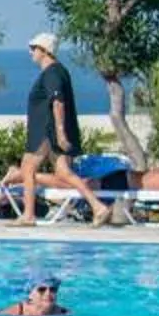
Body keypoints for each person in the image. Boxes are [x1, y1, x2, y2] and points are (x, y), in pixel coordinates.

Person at [19, 33, 110, 226]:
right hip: (49, 130)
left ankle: (28, 215)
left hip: (46, 130)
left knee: (27, 168)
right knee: (63, 172)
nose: (31, 52)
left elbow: (58, 102)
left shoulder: (52, 72)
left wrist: (60, 132)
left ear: (44, 51)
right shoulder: (56, 71)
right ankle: (98, 206)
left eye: (33, 48)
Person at [0, 276, 70, 316]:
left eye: (52, 289)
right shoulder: (18, 310)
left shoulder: (63, 312)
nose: (48, 293)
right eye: (41, 289)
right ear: (30, 295)